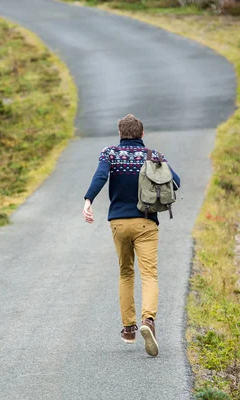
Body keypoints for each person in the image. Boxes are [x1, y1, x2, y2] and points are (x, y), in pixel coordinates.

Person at [82, 114, 180, 357]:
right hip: (146, 223)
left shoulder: (110, 153)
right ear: (142, 134)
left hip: (118, 223)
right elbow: (176, 182)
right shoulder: (154, 155)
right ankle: (148, 320)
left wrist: (88, 200)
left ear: (120, 133)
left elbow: (101, 176)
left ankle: (128, 328)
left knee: (126, 272)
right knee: (149, 275)